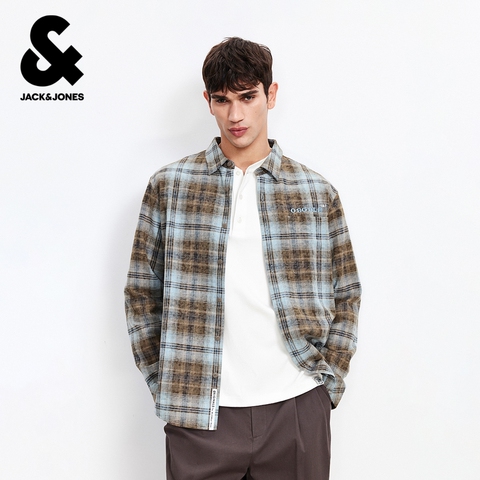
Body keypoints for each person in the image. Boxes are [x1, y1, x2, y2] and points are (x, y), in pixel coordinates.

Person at [125, 37, 361, 480]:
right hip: (200, 415)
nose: (235, 115)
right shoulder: (170, 187)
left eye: (248, 97)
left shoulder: (315, 192)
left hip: (296, 407)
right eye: (222, 100)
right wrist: (166, 382)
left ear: (271, 95)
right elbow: (141, 292)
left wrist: (325, 384)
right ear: (208, 102)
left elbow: (346, 291)